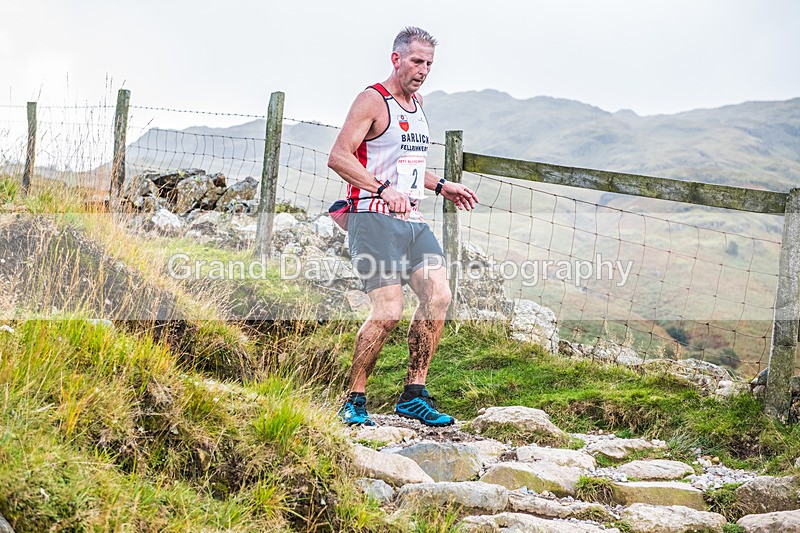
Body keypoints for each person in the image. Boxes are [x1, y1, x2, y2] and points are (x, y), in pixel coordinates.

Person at [327, 27, 479, 427]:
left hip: (411, 220)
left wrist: (442, 185)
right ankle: (353, 400)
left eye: (429, 63)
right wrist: (382, 189)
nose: (423, 70)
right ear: (396, 59)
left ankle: (413, 395)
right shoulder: (372, 100)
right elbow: (339, 156)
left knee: (438, 296)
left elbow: (405, 167)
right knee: (388, 312)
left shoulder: (418, 104)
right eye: (416, 61)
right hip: (372, 216)